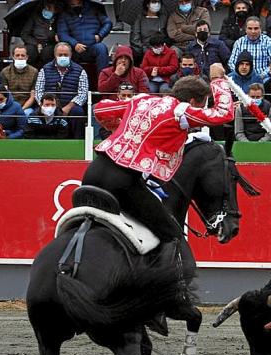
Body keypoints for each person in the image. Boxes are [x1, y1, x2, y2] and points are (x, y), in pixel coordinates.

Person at [85, 63, 233, 266]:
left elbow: (101, 109)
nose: (199, 112)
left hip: (92, 173)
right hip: (123, 181)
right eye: (201, 105)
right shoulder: (180, 112)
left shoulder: (141, 100)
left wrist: (120, 129)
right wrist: (218, 80)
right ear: (192, 102)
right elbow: (224, 114)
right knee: (172, 234)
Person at [35, 42, 88, 139]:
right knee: (35, 113)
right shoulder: (44, 69)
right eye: (60, 55)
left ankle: (78, 143)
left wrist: (68, 108)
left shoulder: (80, 71)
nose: (63, 57)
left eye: (66, 55)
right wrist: (46, 105)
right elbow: (38, 91)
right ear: (55, 55)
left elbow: (83, 94)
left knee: (78, 112)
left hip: (70, 106)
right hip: (48, 104)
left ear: (71, 55)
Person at [57, 0, 112, 71]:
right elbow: (62, 33)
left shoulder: (95, 7)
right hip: (73, 49)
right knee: (62, 50)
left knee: (101, 48)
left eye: (78, 3)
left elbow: (108, 23)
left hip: (92, 46)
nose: (76, 6)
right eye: (73, 4)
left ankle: (103, 79)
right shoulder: (64, 12)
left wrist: (100, 35)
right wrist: (75, 44)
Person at [227, 16, 271, 82]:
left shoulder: (269, 42)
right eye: (250, 28)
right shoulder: (239, 42)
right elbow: (231, 63)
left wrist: (261, 75)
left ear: (261, 29)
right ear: (245, 29)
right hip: (241, 77)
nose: (253, 31)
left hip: (263, 78)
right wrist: (241, 74)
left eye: (256, 28)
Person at [0, 45, 38, 116]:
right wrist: (13, 109)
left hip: (27, 107)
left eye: (23, 55)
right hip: (10, 105)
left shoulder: (34, 72)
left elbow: (33, 96)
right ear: (13, 57)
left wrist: (22, 109)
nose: (20, 57)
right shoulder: (4, 72)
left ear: (27, 57)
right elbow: (5, 94)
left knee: (27, 114)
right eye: (17, 55)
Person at [20, 0, 60, 69]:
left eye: (50, 9)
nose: (48, 10)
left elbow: (60, 32)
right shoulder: (34, 17)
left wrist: (56, 36)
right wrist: (37, 43)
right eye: (46, 8)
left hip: (49, 44)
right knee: (30, 51)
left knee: (48, 53)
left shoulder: (57, 19)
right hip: (33, 43)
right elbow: (24, 34)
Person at [130, 0, 169, 67]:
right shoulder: (139, 18)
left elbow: (167, 35)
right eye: (153, 2)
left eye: (158, 2)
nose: (156, 4)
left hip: (160, 47)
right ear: (147, 4)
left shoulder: (164, 18)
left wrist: (160, 47)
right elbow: (135, 37)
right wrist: (145, 49)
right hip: (142, 49)